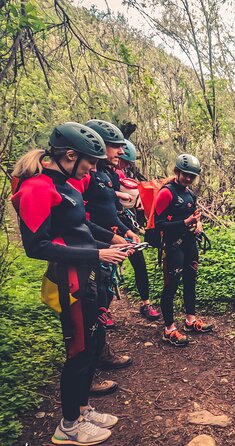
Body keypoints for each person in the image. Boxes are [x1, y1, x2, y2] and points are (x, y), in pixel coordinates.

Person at [11, 122, 131, 445]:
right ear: (69, 155)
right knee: (78, 349)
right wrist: (99, 253)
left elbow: (82, 226)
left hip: (87, 271)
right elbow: (37, 246)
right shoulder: (38, 188)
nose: (92, 168)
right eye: (89, 162)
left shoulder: (68, 184)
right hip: (69, 281)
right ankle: (68, 426)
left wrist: (113, 240)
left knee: (91, 343)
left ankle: (81, 408)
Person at [68, 119, 135, 373]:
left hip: (105, 245)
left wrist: (126, 231)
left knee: (103, 300)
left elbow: (108, 211)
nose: (120, 151)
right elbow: (81, 218)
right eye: (115, 146)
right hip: (89, 248)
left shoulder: (104, 174)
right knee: (91, 307)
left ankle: (99, 352)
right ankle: (88, 365)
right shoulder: (84, 176)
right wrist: (108, 239)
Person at [155, 154, 212, 346]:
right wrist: (185, 222)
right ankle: (169, 329)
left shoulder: (190, 194)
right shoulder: (166, 193)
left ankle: (190, 320)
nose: (188, 178)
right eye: (185, 174)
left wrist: (198, 224)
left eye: (192, 176)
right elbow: (159, 224)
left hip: (189, 243)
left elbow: (194, 215)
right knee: (171, 286)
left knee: (190, 281)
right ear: (177, 172)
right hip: (172, 246)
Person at [115, 138, 160, 321]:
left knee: (139, 263)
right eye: (124, 161)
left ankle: (145, 303)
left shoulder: (121, 174)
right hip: (110, 224)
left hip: (125, 221)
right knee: (108, 266)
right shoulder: (102, 174)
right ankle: (106, 309)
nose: (126, 165)